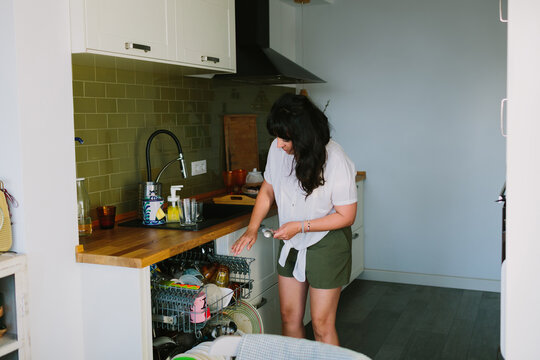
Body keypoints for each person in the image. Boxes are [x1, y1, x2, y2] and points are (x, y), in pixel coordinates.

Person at [231, 93, 357, 346]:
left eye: (284, 138)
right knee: (289, 317)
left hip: (326, 242)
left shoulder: (335, 158)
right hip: (291, 241)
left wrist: (300, 227)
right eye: (276, 137)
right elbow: (267, 190)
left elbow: (347, 215)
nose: (278, 144)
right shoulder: (279, 151)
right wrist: (252, 228)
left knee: (321, 324)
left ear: (303, 136)